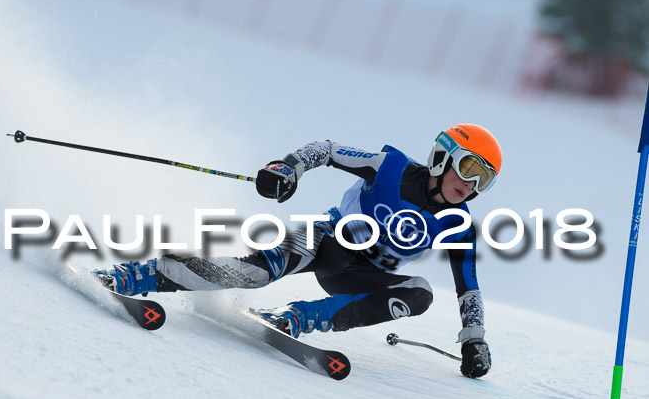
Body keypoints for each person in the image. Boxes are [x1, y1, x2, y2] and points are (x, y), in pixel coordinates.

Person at [94, 124, 501, 379]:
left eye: (484, 180)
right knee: (253, 274)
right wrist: (288, 167)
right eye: (468, 169)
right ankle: (139, 275)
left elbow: (469, 288)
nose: (471, 185)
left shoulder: (458, 224)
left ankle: (297, 319)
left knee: (420, 292)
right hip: (326, 241)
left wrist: (474, 339)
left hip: (364, 276)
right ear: (442, 157)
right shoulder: (390, 166)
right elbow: (327, 149)